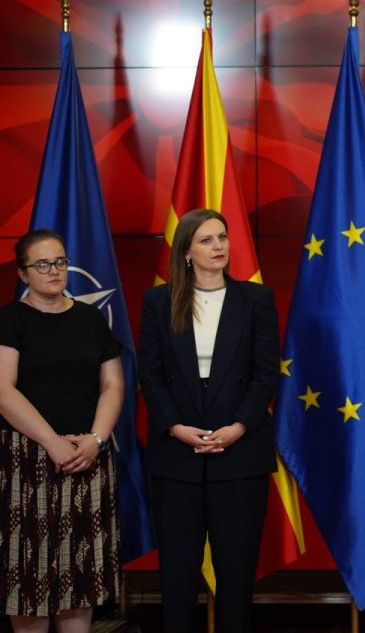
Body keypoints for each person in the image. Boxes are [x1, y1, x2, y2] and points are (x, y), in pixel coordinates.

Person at [138, 209, 279, 633]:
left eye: (222, 237)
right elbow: (150, 373)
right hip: (176, 456)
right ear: (186, 251)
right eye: (206, 240)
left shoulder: (256, 299)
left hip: (239, 453)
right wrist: (174, 427)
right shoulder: (158, 302)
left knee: (236, 574)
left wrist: (239, 426)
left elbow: (266, 373)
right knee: (177, 575)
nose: (219, 246)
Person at [0, 230, 122, 633]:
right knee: (28, 579)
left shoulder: (90, 319)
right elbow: (3, 390)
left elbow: (113, 385)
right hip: (26, 459)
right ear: (23, 273)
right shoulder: (10, 319)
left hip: (86, 457)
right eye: (42, 264)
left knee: (79, 580)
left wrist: (96, 440)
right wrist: (52, 443)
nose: (54, 270)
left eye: (60, 261)